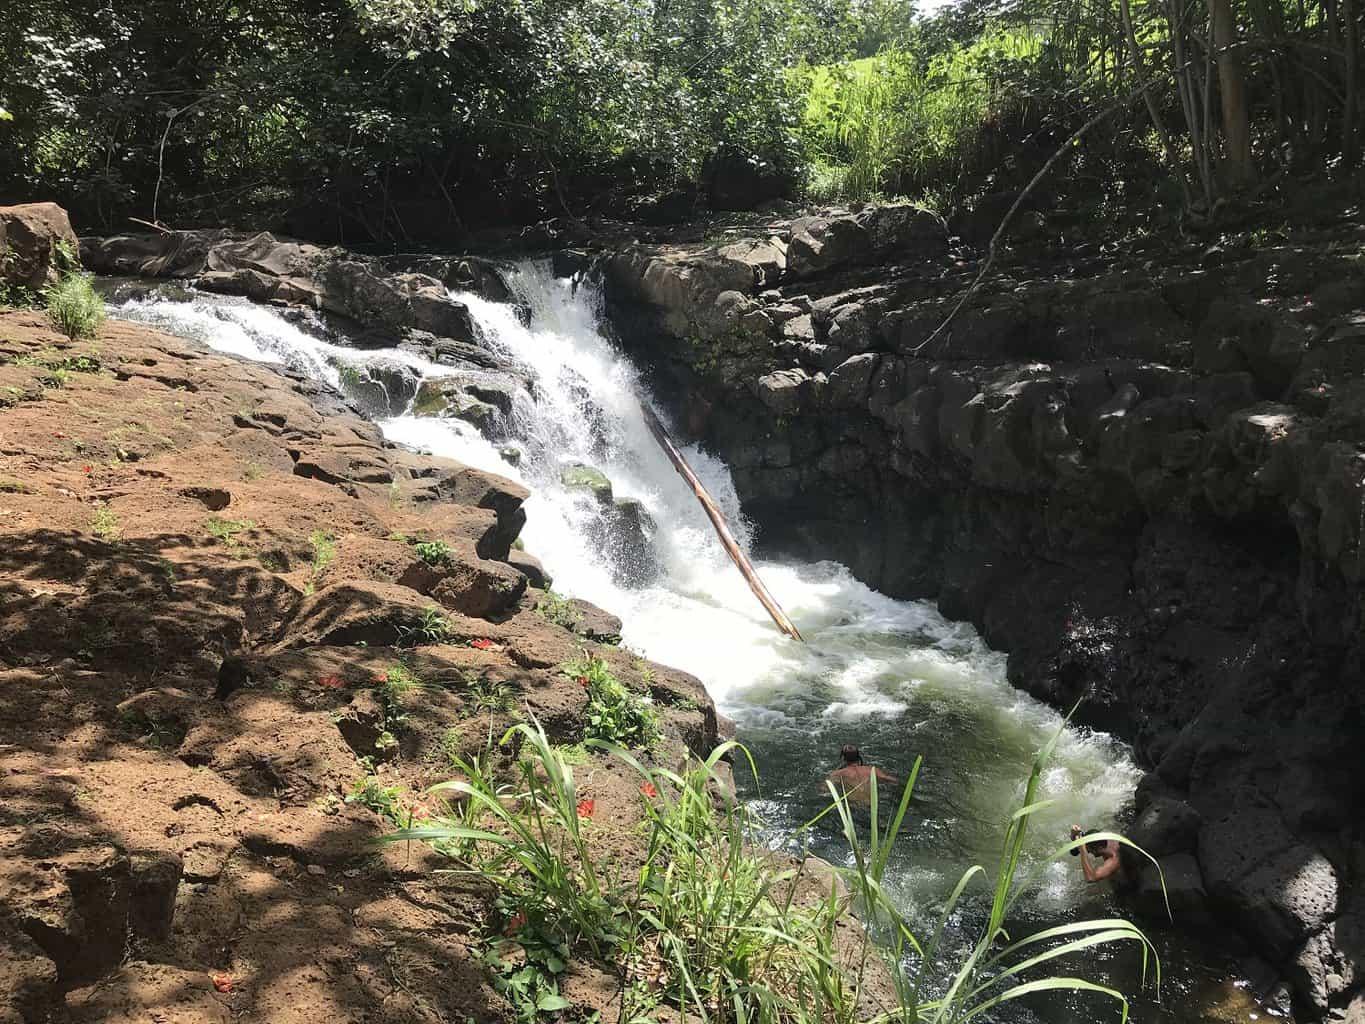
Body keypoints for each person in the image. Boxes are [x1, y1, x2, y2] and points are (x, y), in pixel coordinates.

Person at [826, 745, 898, 807]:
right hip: (873, 805)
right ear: (858, 757)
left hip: (854, 807)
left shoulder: (838, 774)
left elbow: (824, 789)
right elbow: (893, 781)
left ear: (843, 759)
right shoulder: (872, 770)